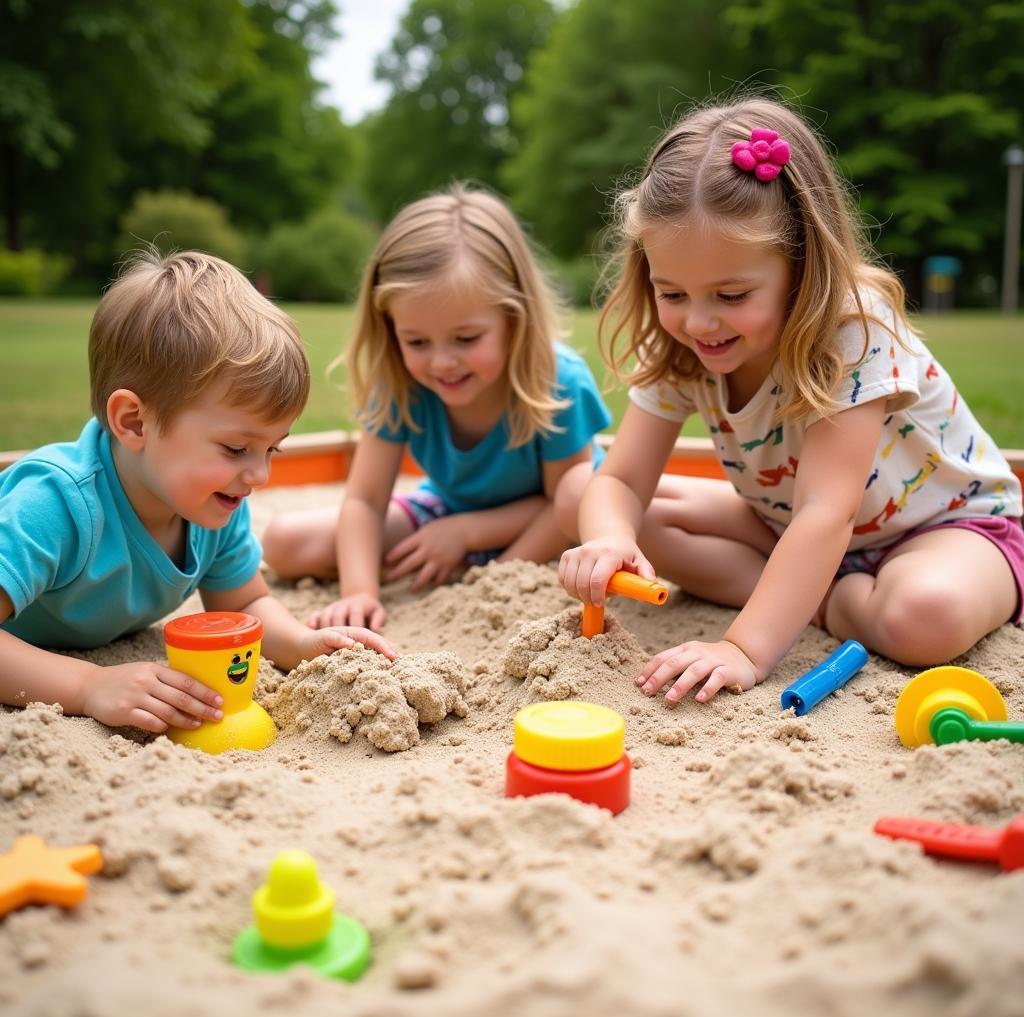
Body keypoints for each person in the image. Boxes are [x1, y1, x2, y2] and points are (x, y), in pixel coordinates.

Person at [557, 97, 1024, 705]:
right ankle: (812, 594)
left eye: (731, 294)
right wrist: (608, 537)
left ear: (802, 266)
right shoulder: (682, 346)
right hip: (784, 525)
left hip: (943, 527)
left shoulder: (849, 328)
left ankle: (815, 600)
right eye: (672, 292)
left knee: (924, 616)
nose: (700, 322)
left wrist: (744, 648)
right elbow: (620, 479)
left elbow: (826, 511)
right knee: (580, 499)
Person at [0, 250, 396, 735]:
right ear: (134, 421)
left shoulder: (213, 503)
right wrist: (88, 686)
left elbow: (245, 603)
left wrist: (301, 643)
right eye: (235, 448)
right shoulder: (53, 503)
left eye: (271, 448)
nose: (259, 475)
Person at [262, 184, 611, 631]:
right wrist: (360, 593)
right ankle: (447, 560)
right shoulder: (400, 383)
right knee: (284, 542)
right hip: (446, 510)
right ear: (391, 329)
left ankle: (470, 562)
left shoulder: (558, 380)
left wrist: (477, 552)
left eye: (466, 339)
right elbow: (365, 502)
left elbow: (564, 507)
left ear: (515, 317)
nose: (442, 362)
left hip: (551, 527)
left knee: (581, 493)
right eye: (417, 341)